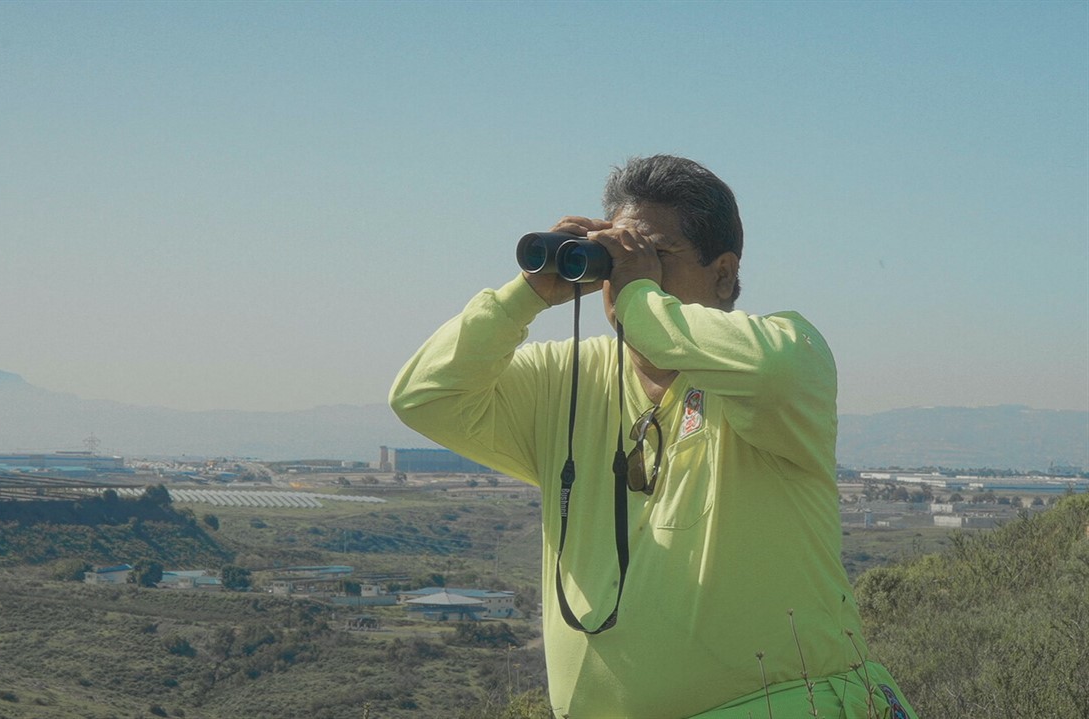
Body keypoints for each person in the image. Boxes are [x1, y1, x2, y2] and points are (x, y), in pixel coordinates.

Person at [389, 155, 917, 718]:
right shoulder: (565, 380)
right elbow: (425, 395)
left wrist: (639, 298)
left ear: (723, 273)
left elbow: (771, 372)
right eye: (617, 254)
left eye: (655, 254)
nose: (624, 274)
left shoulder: (785, 354)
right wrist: (526, 295)